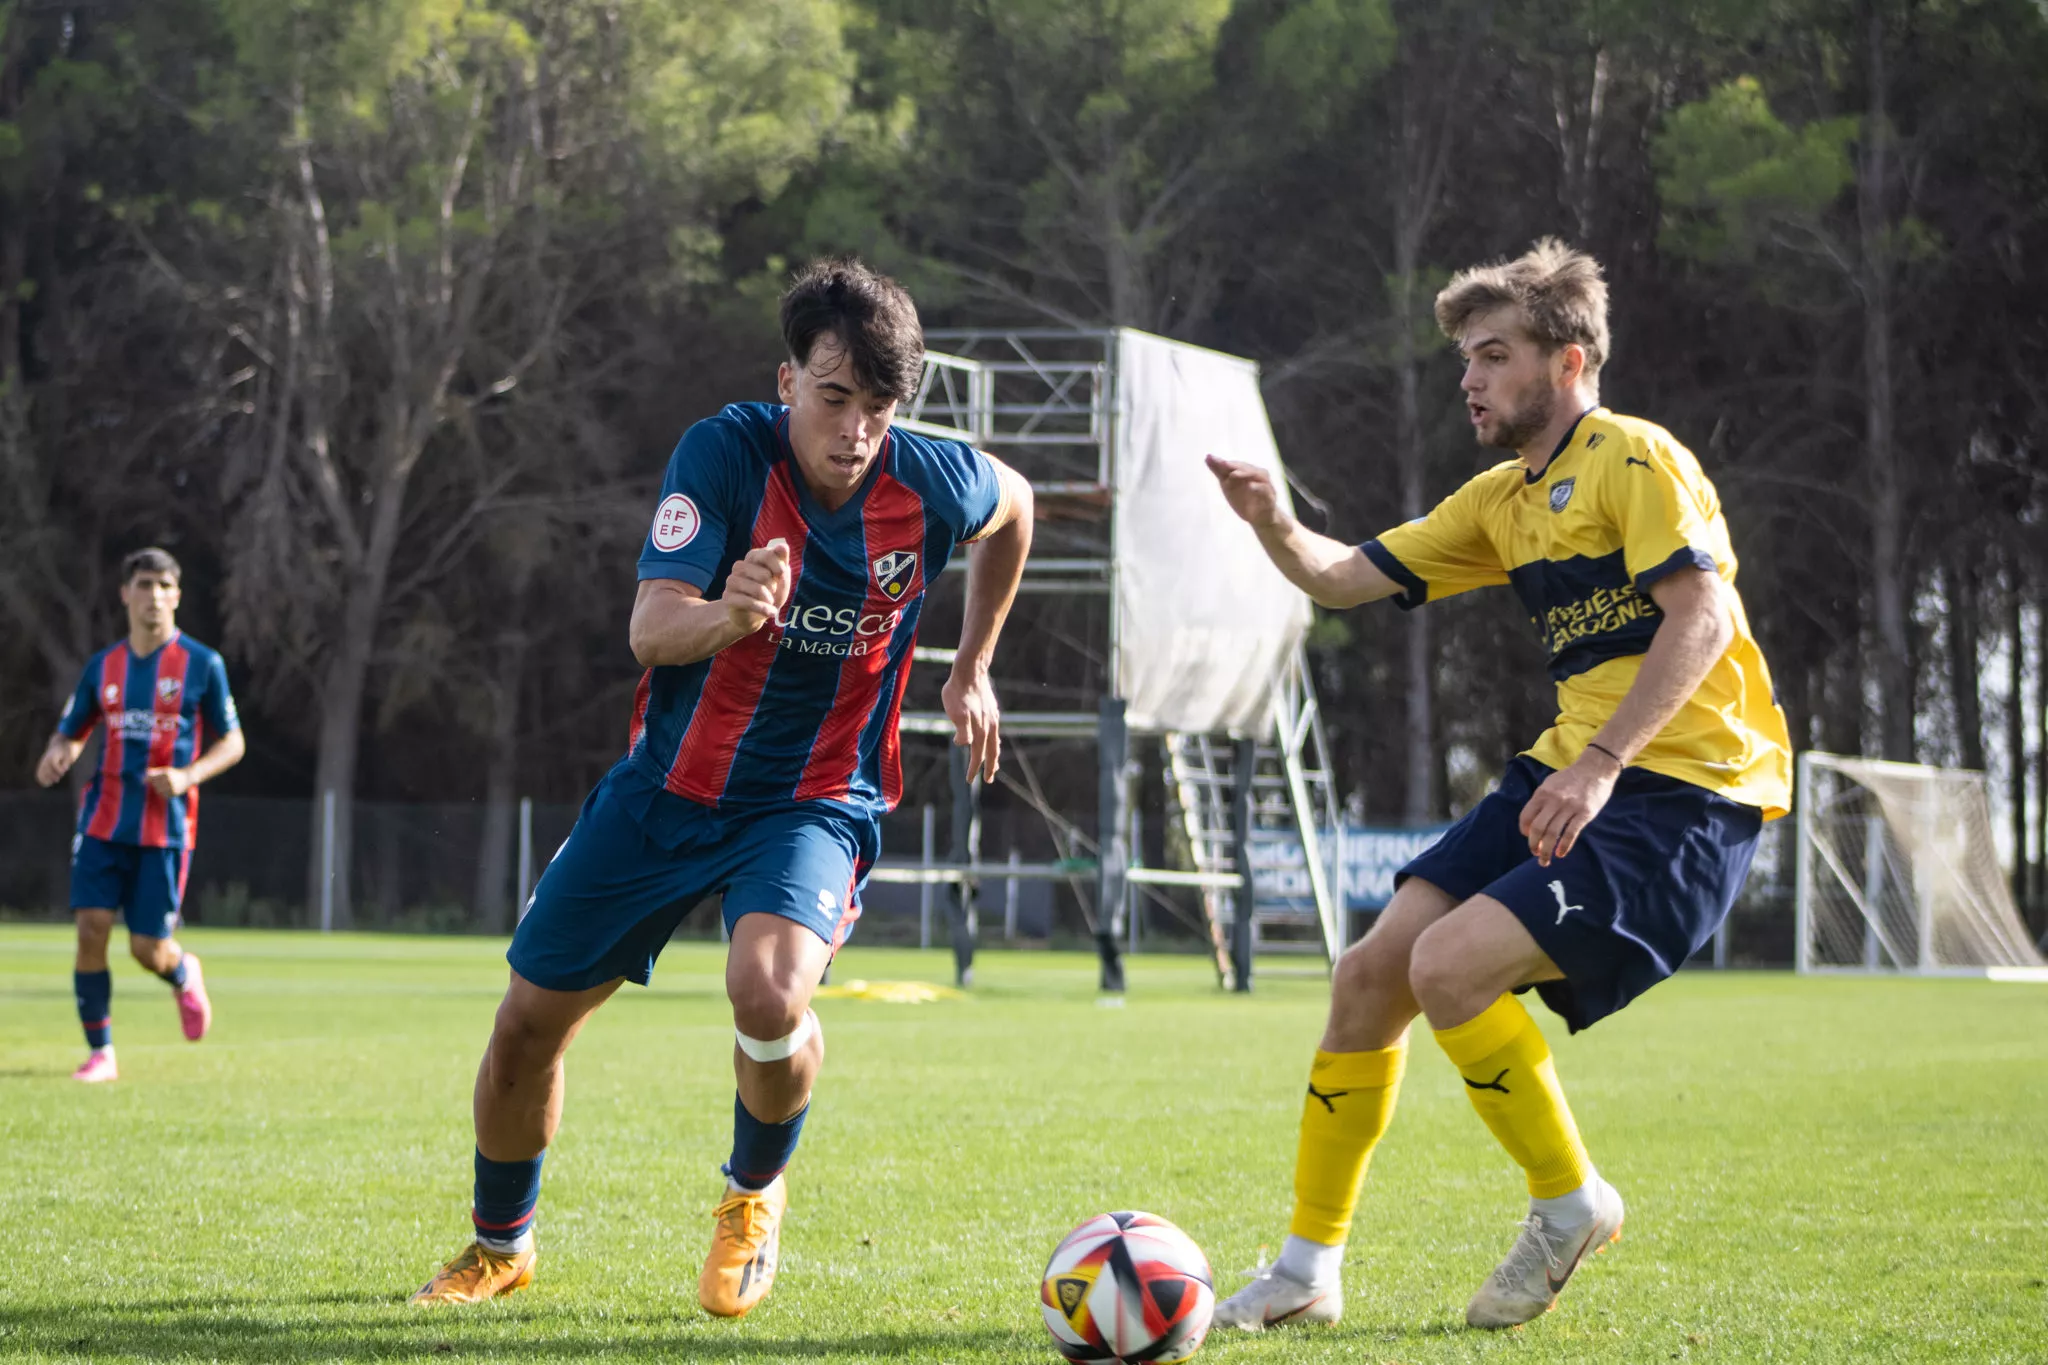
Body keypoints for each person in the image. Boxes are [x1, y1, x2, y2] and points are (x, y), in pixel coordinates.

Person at [410, 257, 1034, 1316]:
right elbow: (652, 632)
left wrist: (971, 666)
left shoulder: (928, 481)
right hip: (663, 793)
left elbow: (1014, 507)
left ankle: (751, 1195)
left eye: (878, 407)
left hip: (812, 802)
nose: (854, 429)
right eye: (833, 398)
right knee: (525, 1029)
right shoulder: (724, 454)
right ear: (786, 380)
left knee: (768, 991)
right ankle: (498, 1245)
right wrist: (730, 616)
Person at [1205, 239, 1791, 1331]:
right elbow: (1339, 581)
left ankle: (1570, 1204)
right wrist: (1271, 520)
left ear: (1566, 363)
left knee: (1448, 966)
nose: (1468, 379)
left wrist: (1601, 764)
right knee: (1368, 977)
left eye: (1491, 355)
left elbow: (1700, 618)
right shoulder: (1499, 500)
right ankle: (1303, 1270)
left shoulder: (1633, 457)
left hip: (1685, 789)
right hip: (1573, 770)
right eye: (1464, 359)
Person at [35, 547, 246, 1084]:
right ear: (125, 594)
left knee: (146, 948)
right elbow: (74, 726)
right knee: (91, 929)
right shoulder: (103, 667)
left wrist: (186, 777)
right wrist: (61, 749)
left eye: (165, 586)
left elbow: (234, 742)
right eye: (145, 584)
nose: (154, 596)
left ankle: (181, 970)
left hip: (167, 829)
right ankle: (101, 1051)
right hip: (103, 820)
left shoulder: (203, 664)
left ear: (177, 596)